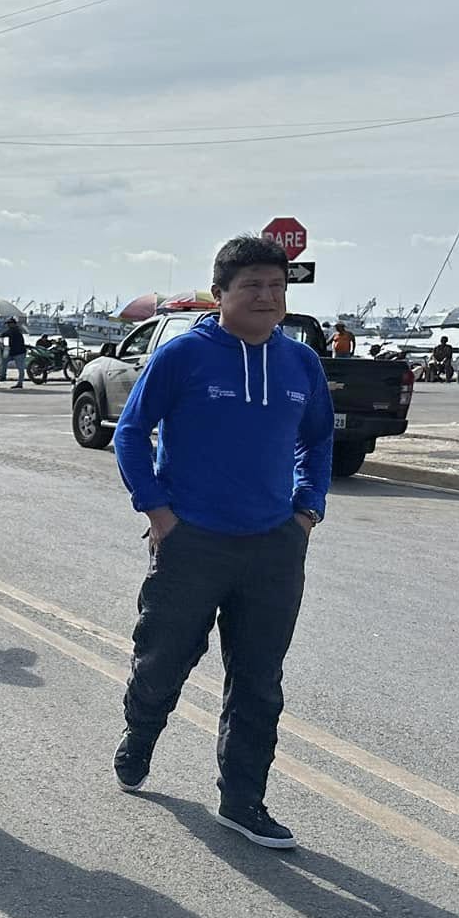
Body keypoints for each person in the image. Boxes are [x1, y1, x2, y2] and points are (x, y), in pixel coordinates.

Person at [111, 234, 333, 850]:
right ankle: (141, 732)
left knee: (259, 679)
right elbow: (130, 433)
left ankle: (242, 800)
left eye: (276, 286)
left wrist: (307, 510)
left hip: (273, 546)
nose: (266, 296)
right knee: (163, 659)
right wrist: (158, 513)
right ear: (220, 294)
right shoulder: (185, 354)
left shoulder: (300, 362)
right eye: (251, 285)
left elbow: (317, 440)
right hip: (192, 540)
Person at [2, 317, 28, 387]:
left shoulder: (15, 330)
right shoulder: (12, 330)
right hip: (13, 351)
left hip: (20, 352)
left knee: (20, 368)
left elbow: (4, 334)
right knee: (4, 361)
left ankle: (20, 383)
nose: (8, 325)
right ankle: (2, 375)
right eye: (7, 324)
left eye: (9, 324)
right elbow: (4, 334)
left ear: (13, 324)